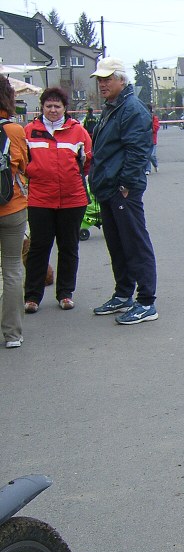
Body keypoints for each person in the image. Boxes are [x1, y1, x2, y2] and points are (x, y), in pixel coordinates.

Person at [88, 57, 159, 325]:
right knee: (117, 245)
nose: (102, 84)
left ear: (121, 79)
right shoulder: (113, 107)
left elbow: (138, 151)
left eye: (107, 79)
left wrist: (126, 185)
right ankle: (123, 294)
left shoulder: (131, 109)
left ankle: (146, 302)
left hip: (122, 190)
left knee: (135, 243)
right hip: (108, 188)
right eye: (100, 79)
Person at [22, 87, 92, 314]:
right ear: (42, 107)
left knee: (69, 247)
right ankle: (32, 296)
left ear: (65, 108)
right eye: (48, 106)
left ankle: (65, 293)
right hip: (40, 199)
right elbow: (23, 164)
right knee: (38, 248)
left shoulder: (78, 132)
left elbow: (87, 162)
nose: (52, 110)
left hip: (72, 199)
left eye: (57, 106)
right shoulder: (30, 131)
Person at [0, 76, 29, 348]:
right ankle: (13, 334)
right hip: (12, 207)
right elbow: (23, 165)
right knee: (11, 269)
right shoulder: (15, 130)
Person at [146, 104, 159, 174]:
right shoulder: (143, 117)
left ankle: (155, 164)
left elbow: (156, 127)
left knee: (152, 155)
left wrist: (150, 129)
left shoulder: (154, 118)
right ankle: (147, 169)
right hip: (146, 140)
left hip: (153, 140)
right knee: (147, 155)